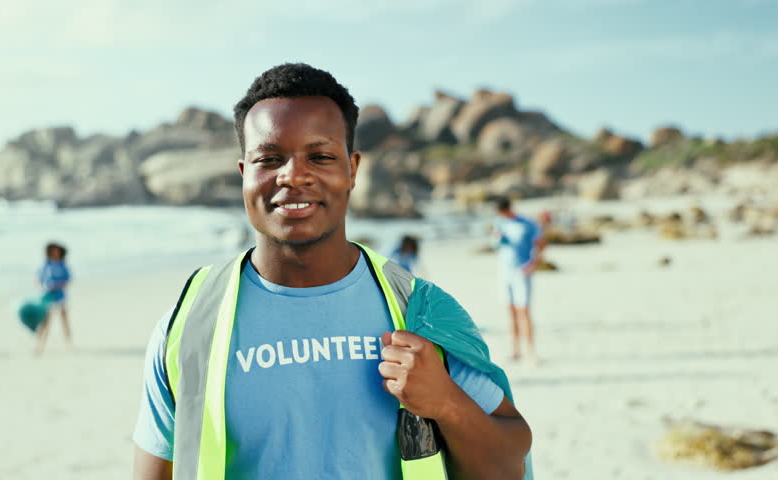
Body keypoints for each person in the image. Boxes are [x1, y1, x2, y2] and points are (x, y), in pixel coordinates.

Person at [132, 63, 532, 480]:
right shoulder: (189, 325)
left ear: (352, 169)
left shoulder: (420, 310)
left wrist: (447, 403)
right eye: (269, 158)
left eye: (320, 156)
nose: (293, 175)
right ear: (243, 174)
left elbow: (508, 466)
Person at [494, 198, 544, 363]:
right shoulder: (499, 223)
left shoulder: (527, 223)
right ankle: (515, 350)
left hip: (521, 272)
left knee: (524, 311)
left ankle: (530, 350)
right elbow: (495, 245)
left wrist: (534, 263)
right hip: (504, 272)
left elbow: (541, 243)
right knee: (511, 312)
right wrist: (497, 238)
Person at [35, 242, 72, 354]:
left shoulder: (62, 265)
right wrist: (44, 288)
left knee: (64, 320)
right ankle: (40, 345)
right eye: (53, 250)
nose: (55, 253)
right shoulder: (46, 264)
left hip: (60, 295)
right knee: (45, 321)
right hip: (48, 295)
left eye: (57, 250)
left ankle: (69, 343)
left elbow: (67, 279)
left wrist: (59, 285)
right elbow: (39, 278)